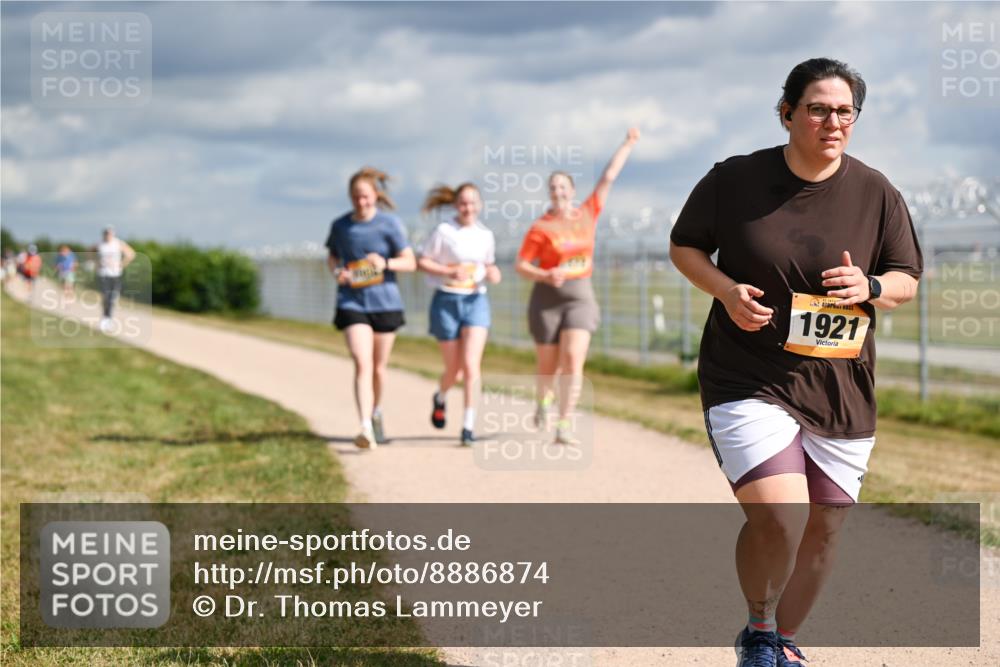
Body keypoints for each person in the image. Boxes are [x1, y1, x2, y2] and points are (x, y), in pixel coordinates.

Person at [669, 58, 922, 666]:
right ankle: (759, 633)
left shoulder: (875, 190)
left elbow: (906, 278)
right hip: (748, 374)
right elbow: (685, 247)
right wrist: (727, 292)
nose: (832, 121)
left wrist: (870, 286)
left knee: (825, 526)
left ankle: (782, 641)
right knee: (783, 513)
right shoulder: (734, 180)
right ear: (786, 113)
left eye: (845, 111)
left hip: (840, 384)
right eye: (817, 108)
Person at [515, 128, 639, 445]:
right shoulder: (540, 227)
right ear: (549, 193)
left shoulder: (588, 212)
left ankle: (565, 422)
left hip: (579, 299)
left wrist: (627, 143)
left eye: (562, 185)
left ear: (571, 190)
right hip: (546, 299)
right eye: (552, 187)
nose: (557, 190)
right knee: (548, 366)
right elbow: (522, 266)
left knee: (573, 360)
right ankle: (543, 401)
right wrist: (545, 275)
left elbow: (609, 177)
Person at [325, 167, 416, 449]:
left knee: (378, 368)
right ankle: (364, 425)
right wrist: (338, 272)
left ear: (375, 195)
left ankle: (376, 412)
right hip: (352, 301)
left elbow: (410, 263)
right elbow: (332, 257)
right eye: (355, 197)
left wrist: (385, 264)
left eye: (365, 196)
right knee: (361, 362)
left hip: (385, 302)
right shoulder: (340, 226)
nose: (361, 202)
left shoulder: (390, 225)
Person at [418, 183, 501, 446]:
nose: (468, 208)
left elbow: (489, 266)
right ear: (456, 205)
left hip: (476, 300)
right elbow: (423, 261)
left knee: (471, 365)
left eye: (472, 203)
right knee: (453, 370)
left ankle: (468, 426)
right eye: (463, 203)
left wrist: (493, 273)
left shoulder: (485, 235)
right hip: (446, 300)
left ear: (480, 205)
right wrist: (448, 272)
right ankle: (441, 396)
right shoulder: (444, 231)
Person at [96, 226, 136, 332]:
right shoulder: (100, 244)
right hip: (104, 273)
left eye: (109, 233)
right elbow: (89, 251)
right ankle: (106, 319)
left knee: (112, 297)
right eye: (105, 233)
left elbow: (131, 254)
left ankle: (108, 318)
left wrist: (122, 264)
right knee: (106, 296)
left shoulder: (118, 243)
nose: (107, 235)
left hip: (115, 274)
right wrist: (97, 263)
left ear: (112, 234)